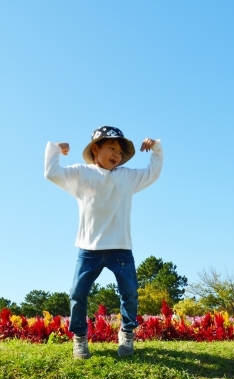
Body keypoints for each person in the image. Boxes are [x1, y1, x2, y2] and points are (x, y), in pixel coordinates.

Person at [44, 126, 163, 359]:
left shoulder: (127, 177)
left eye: (120, 152)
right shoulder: (81, 174)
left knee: (129, 292)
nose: (117, 155)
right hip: (89, 248)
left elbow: (152, 173)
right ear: (95, 149)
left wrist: (156, 149)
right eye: (111, 148)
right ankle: (79, 338)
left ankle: (127, 333)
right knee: (77, 293)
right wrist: (56, 149)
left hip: (121, 247)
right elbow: (51, 173)